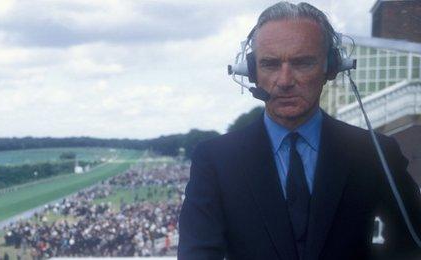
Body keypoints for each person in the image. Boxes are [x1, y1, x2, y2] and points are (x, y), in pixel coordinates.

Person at [178, 2, 421, 260]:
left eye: (302, 63)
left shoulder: (376, 153)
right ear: (252, 72)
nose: (284, 81)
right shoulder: (215, 159)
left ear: (331, 67)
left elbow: (409, 246)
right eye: (270, 64)